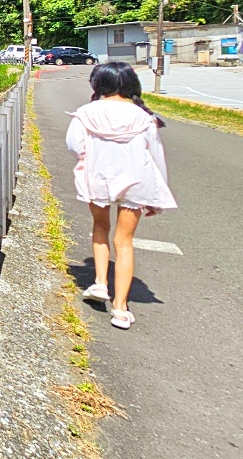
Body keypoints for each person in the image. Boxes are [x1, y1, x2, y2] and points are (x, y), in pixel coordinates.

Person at [66, 62, 176, 330]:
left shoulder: (86, 113)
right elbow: (156, 156)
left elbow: (74, 146)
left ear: (98, 84)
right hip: (135, 182)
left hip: (98, 178)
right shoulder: (144, 117)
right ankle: (120, 309)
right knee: (124, 242)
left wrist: (91, 157)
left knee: (100, 227)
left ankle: (101, 284)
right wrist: (156, 195)